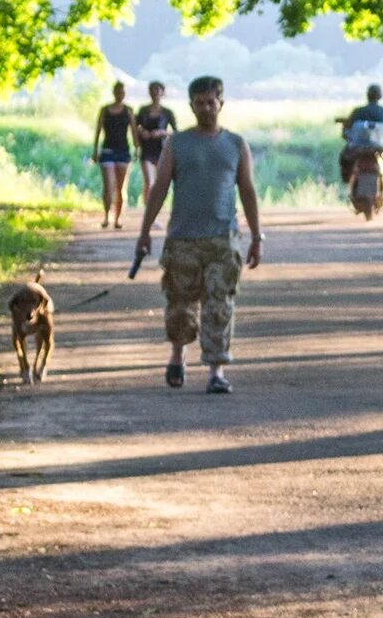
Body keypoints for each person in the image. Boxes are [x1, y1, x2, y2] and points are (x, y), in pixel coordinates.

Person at [133, 76, 263, 393]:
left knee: (220, 303)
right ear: (191, 105)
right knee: (180, 304)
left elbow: (247, 190)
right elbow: (160, 188)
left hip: (223, 237)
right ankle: (178, 355)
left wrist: (257, 236)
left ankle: (216, 371)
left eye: (211, 102)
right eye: (200, 102)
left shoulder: (235, 144)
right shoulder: (177, 144)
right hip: (183, 239)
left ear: (221, 103)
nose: (206, 108)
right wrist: (145, 231)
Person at [337, 84, 383, 188]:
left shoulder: (357, 112)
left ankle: (347, 178)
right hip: (382, 148)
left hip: (358, 148)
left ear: (367, 96)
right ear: (380, 96)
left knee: (344, 157)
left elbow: (347, 131)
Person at [91, 82, 138, 228]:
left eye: (122, 92)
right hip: (107, 151)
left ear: (124, 93)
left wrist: (137, 148)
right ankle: (106, 216)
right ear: (114, 92)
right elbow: (98, 130)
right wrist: (95, 150)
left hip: (123, 151)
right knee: (108, 186)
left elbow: (134, 131)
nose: (120, 94)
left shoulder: (128, 111)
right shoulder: (105, 110)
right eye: (118, 91)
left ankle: (117, 219)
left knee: (120, 187)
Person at [132, 80, 178, 207]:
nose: (156, 92)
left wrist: (162, 132)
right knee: (149, 182)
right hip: (146, 150)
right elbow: (134, 127)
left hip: (162, 150)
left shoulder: (168, 112)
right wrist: (142, 133)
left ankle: (156, 209)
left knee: (160, 183)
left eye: (158, 90)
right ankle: (149, 211)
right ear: (149, 92)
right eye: (153, 89)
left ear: (163, 93)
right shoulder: (143, 110)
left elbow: (176, 133)